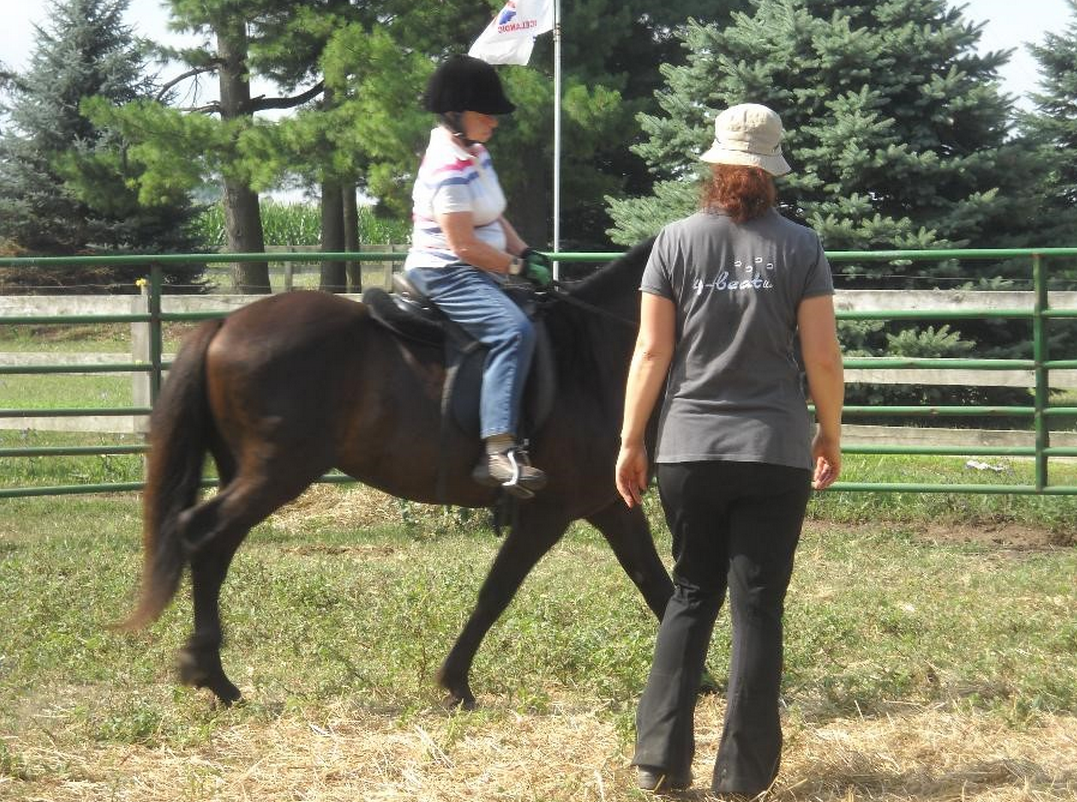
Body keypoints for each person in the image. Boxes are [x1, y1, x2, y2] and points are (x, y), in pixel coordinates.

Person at [614, 103, 844, 797]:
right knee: (756, 607)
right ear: (772, 172)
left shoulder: (674, 242)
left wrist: (630, 440)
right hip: (772, 449)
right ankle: (741, 776)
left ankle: (657, 758)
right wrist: (828, 432)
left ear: (714, 166)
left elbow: (651, 351)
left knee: (690, 593)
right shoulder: (800, 248)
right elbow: (822, 358)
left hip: (687, 447)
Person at [404, 54, 553, 499]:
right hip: (447, 271)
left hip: (479, 262)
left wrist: (524, 249)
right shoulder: (445, 168)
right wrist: (516, 268)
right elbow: (463, 245)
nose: (494, 122)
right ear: (455, 115)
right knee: (512, 332)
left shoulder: (475, 154)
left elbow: (494, 217)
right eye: (485, 114)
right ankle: (498, 449)